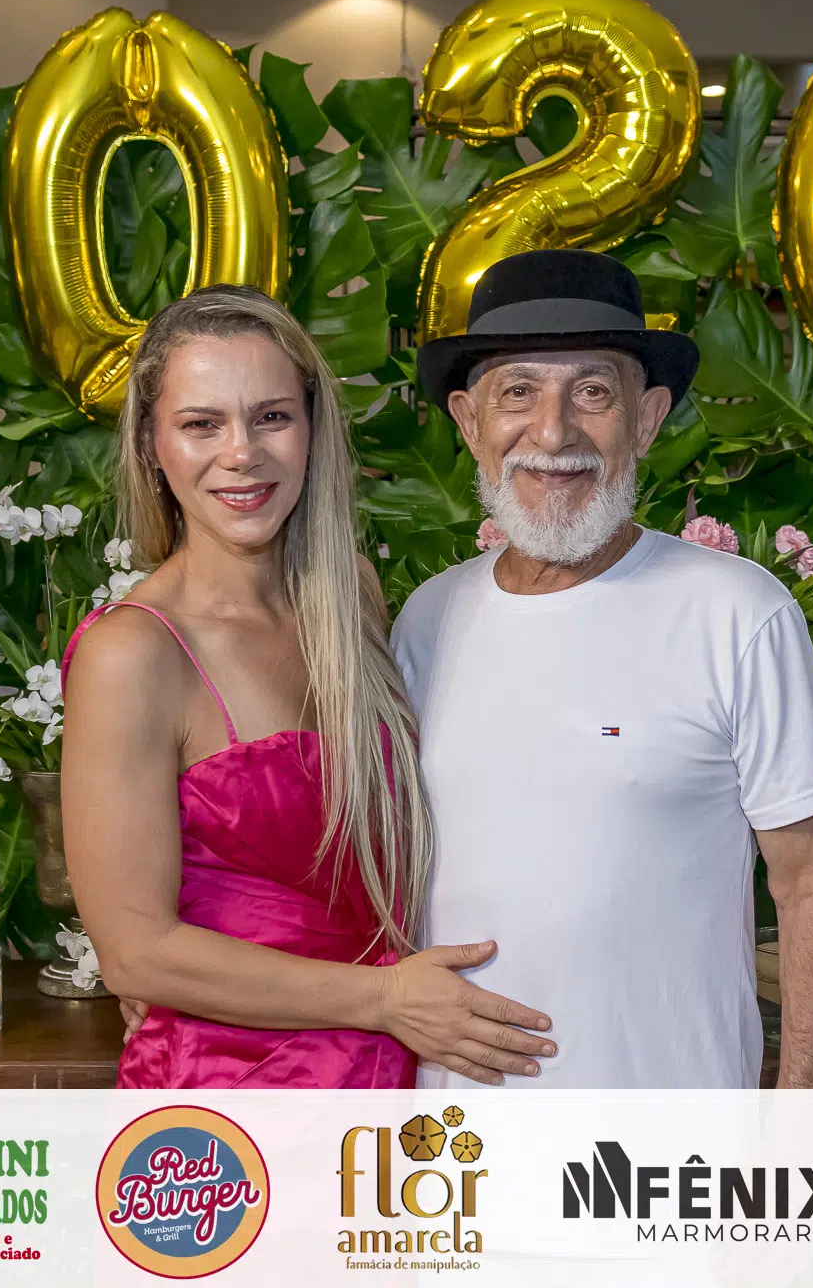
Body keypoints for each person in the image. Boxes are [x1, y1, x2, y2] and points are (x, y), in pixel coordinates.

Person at [60, 284, 555, 1107]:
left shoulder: (349, 596)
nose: (241, 452)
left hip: (396, 1078)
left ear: (312, 429)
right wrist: (386, 997)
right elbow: (137, 953)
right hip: (230, 1100)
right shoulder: (133, 653)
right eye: (201, 423)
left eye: (271, 417)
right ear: (152, 442)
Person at [394, 249, 813, 1107]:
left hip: (668, 1147)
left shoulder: (739, 613)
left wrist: (799, 1138)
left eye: (592, 392)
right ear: (469, 421)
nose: (553, 432)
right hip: (458, 1145)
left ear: (646, 420)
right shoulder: (428, 619)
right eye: (518, 391)